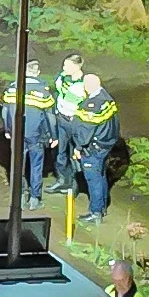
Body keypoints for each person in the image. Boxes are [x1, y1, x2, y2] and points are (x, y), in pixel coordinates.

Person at [0, 62, 54, 209]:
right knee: (36, 165)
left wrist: (7, 129)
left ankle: (20, 195)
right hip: (36, 134)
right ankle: (35, 198)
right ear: (37, 73)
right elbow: (50, 116)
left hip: (17, 133)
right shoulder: (43, 91)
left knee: (18, 164)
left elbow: (5, 112)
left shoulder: (12, 88)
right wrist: (52, 135)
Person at [68, 72, 121, 220]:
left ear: (88, 86)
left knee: (93, 179)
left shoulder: (92, 106)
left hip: (92, 147)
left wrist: (78, 147)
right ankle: (102, 207)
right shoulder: (107, 98)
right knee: (101, 175)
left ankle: (96, 212)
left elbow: (85, 131)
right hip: (105, 144)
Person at [49, 54, 87, 193]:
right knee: (60, 152)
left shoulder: (83, 85)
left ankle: (76, 185)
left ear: (77, 67)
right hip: (62, 119)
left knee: (75, 154)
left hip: (75, 122)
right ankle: (62, 181)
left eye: (67, 65)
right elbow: (58, 86)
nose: (64, 68)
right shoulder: (64, 77)